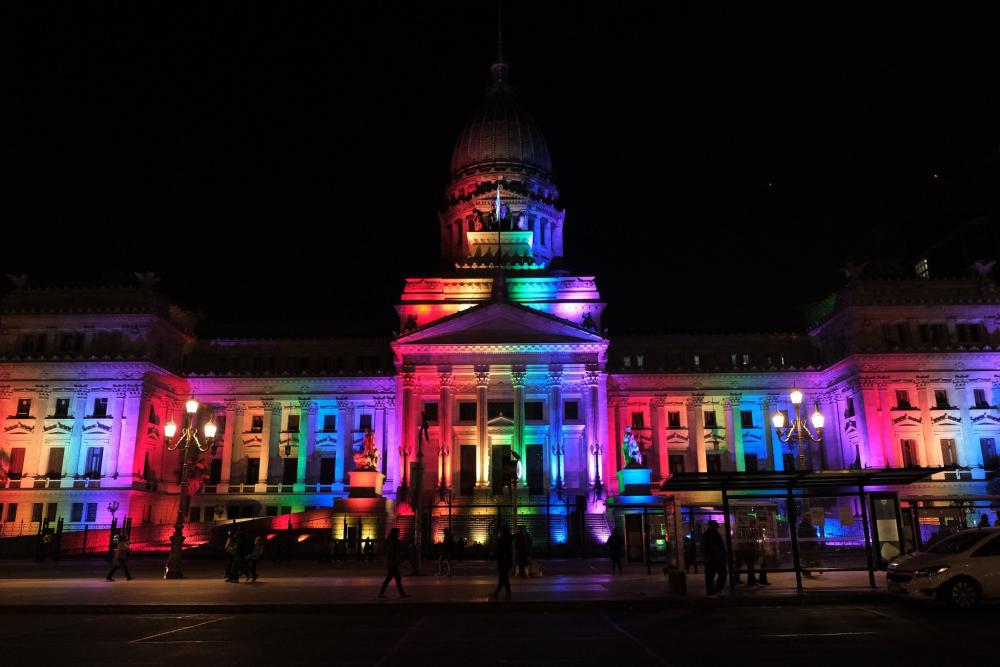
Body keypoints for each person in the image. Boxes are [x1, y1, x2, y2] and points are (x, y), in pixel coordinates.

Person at [378, 527, 408, 599]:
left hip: (390, 562)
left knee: (389, 579)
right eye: (398, 532)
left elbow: (384, 551)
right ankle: (402, 594)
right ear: (395, 533)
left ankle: (381, 593)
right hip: (393, 562)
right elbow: (395, 552)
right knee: (397, 578)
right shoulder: (394, 542)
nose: (399, 534)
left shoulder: (389, 541)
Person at [701, 520, 727, 596]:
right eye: (715, 527)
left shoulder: (708, 534)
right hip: (715, 559)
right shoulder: (712, 535)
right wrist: (721, 554)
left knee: (710, 577)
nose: (716, 528)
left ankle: (712, 591)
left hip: (712, 559)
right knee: (721, 575)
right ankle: (714, 591)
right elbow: (715, 547)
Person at [489, 525, 513, 600]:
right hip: (507, 561)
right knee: (502, 578)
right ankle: (497, 593)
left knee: (504, 578)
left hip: (503, 562)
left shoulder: (502, 539)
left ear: (502, 532)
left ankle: (508, 594)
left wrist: (494, 554)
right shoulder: (508, 538)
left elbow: (501, 550)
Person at [733, 521, 759, 586]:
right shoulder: (743, 531)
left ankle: (738, 579)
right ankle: (750, 580)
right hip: (745, 550)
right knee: (749, 565)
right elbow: (746, 541)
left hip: (742, 550)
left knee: (740, 565)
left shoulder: (740, 530)